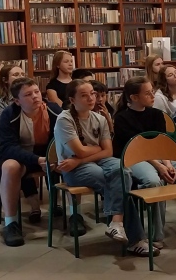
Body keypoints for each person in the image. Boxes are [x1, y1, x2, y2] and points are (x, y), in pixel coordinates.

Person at [54, 80, 153, 256]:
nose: (91, 98)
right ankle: (135, 239)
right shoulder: (64, 119)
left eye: (92, 93)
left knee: (123, 170)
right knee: (117, 183)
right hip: (72, 169)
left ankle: (117, 223)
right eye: (84, 95)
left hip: (85, 162)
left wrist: (80, 159)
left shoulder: (99, 118)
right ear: (72, 100)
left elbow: (108, 152)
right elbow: (80, 150)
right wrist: (94, 150)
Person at [113, 77, 176, 244]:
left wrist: (168, 164)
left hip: (159, 157)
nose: (152, 96)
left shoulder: (156, 114)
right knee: (153, 181)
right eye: (147, 93)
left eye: (152, 92)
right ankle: (156, 235)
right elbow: (137, 149)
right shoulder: (121, 118)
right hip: (135, 159)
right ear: (134, 97)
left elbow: (163, 143)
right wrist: (159, 166)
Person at [0, 77, 60, 245]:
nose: (35, 97)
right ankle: (11, 223)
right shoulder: (8, 115)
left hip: (47, 156)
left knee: (71, 161)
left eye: (37, 92)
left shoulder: (54, 110)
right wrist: (36, 159)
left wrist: (52, 158)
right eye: (28, 94)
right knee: (9, 167)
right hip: (21, 157)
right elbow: (7, 147)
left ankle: (75, 215)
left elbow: (64, 138)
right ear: (17, 101)